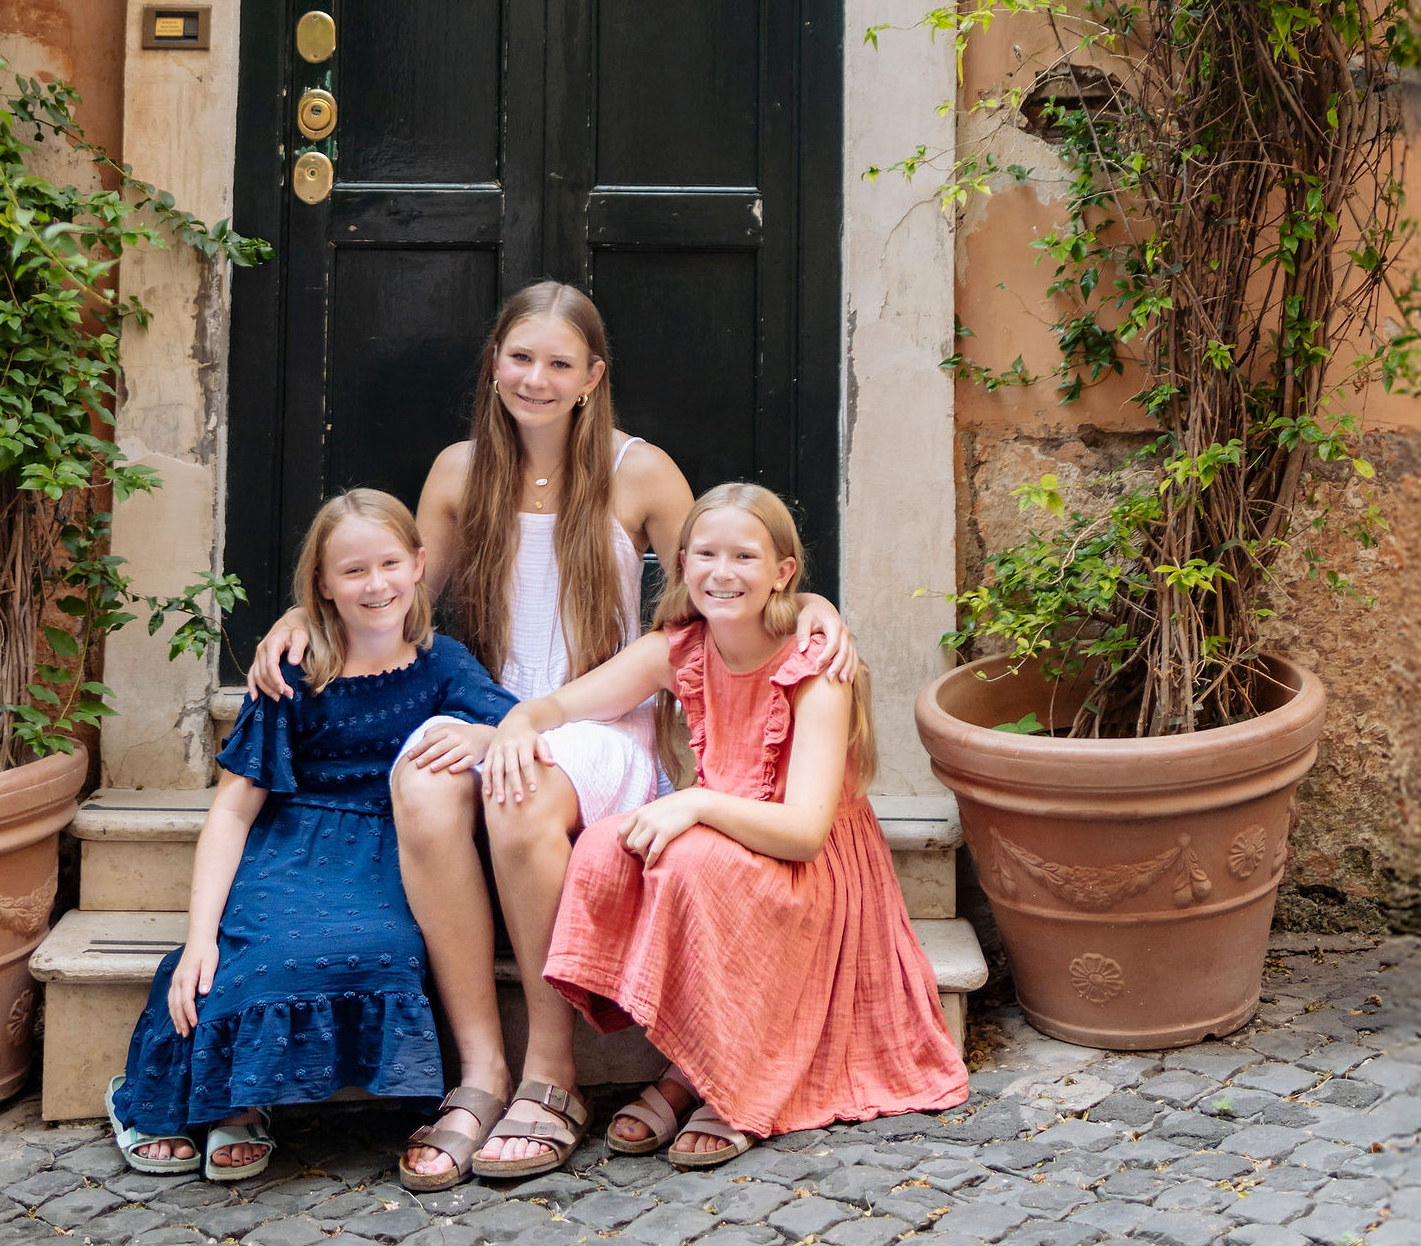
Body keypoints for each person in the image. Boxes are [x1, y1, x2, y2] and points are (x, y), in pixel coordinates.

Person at [243, 285, 855, 1188]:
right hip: (489, 709)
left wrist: (819, 609)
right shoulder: (457, 473)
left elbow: (724, 574)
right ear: (494, 362)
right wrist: (302, 618)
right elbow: (398, 600)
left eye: (560, 363)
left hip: (599, 722)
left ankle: (552, 1073)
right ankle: (483, 1071)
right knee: (419, 778)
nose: (537, 377)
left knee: (518, 783)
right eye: (521, 357)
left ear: (591, 378)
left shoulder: (640, 472)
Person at [488, 481, 966, 1166]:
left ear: (783, 572)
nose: (722, 572)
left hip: (808, 864)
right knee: (602, 847)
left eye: (744, 556)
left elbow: (803, 830)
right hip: (726, 841)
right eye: (706, 553)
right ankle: (689, 1065)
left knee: (684, 859)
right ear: (681, 563)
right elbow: (561, 706)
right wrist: (518, 722)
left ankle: (725, 1079)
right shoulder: (679, 648)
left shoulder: (816, 669)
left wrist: (696, 802)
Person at [107, 488, 514, 1182]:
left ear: (419, 565)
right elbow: (233, 811)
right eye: (352, 571)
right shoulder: (294, 671)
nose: (375, 584)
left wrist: (481, 734)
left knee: (385, 949)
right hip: (291, 843)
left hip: (391, 851)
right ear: (322, 584)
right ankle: (215, 1103)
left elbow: (514, 728)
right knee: (253, 955)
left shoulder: (443, 665)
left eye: (389, 563)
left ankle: (265, 1089)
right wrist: (200, 934)